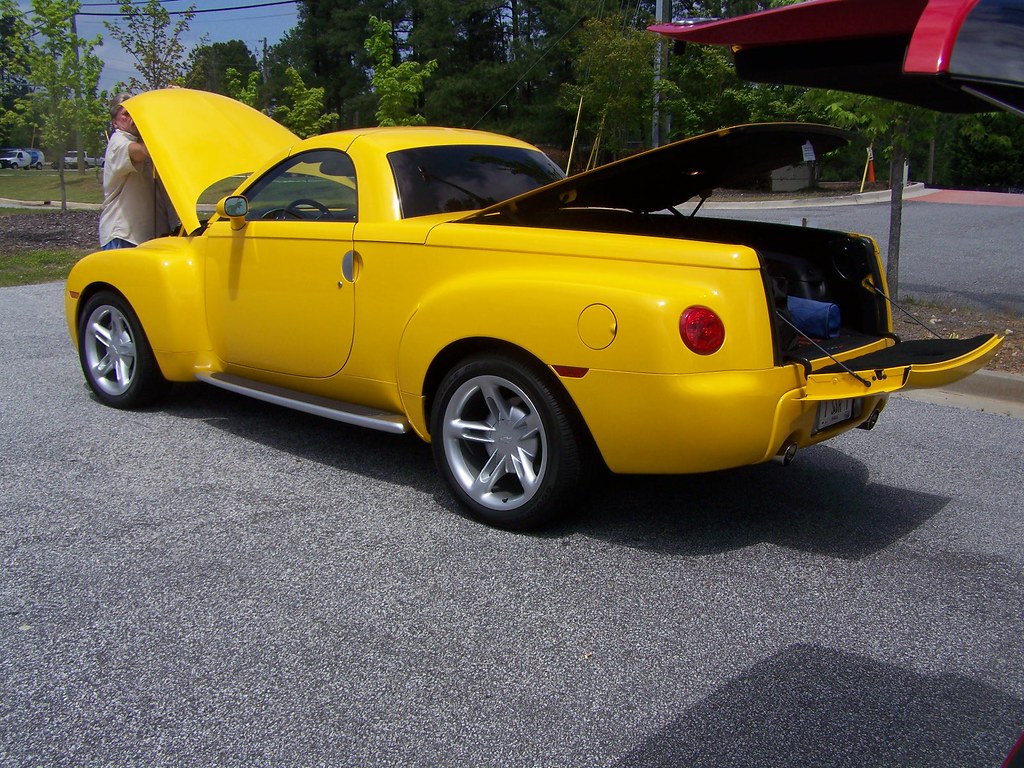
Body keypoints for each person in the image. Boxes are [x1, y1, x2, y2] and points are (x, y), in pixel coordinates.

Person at [97, 92, 176, 250]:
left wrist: (173, 102)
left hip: (148, 237)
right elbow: (140, 152)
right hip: (122, 236)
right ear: (115, 122)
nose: (132, 117)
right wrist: (162, 113)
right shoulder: (118, 141)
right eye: (126, 113)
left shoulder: (142, 140)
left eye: (136, 112)